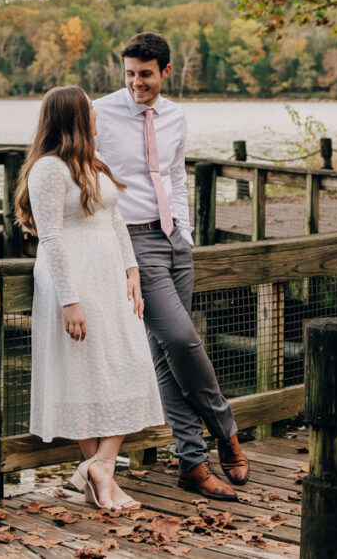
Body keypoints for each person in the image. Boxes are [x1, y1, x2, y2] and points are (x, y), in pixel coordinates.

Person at [93, 32, 250, 501]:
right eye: (129, 74)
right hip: (132, 242)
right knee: (182, 338)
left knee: (166, 355)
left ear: (164, 71)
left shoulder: (176, 116)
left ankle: (191, 464)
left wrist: (185, 232)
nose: (136, 83)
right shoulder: (99, 113)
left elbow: (175, 175)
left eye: (145, 74)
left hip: (174, 240)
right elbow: (81, 172)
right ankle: (226, 432)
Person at [14, 85, 165, 511]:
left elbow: (115, 220)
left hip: (109, 277)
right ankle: (101, 473)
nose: (97, 113)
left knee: (130, 362)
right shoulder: (48, 170)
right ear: (74, 117)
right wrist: (69, 300)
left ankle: (100, 465)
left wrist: (131, 270)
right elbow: (53, 238)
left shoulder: (91, 163)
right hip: (75, 277)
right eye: (90, 108)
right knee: (83, 371)